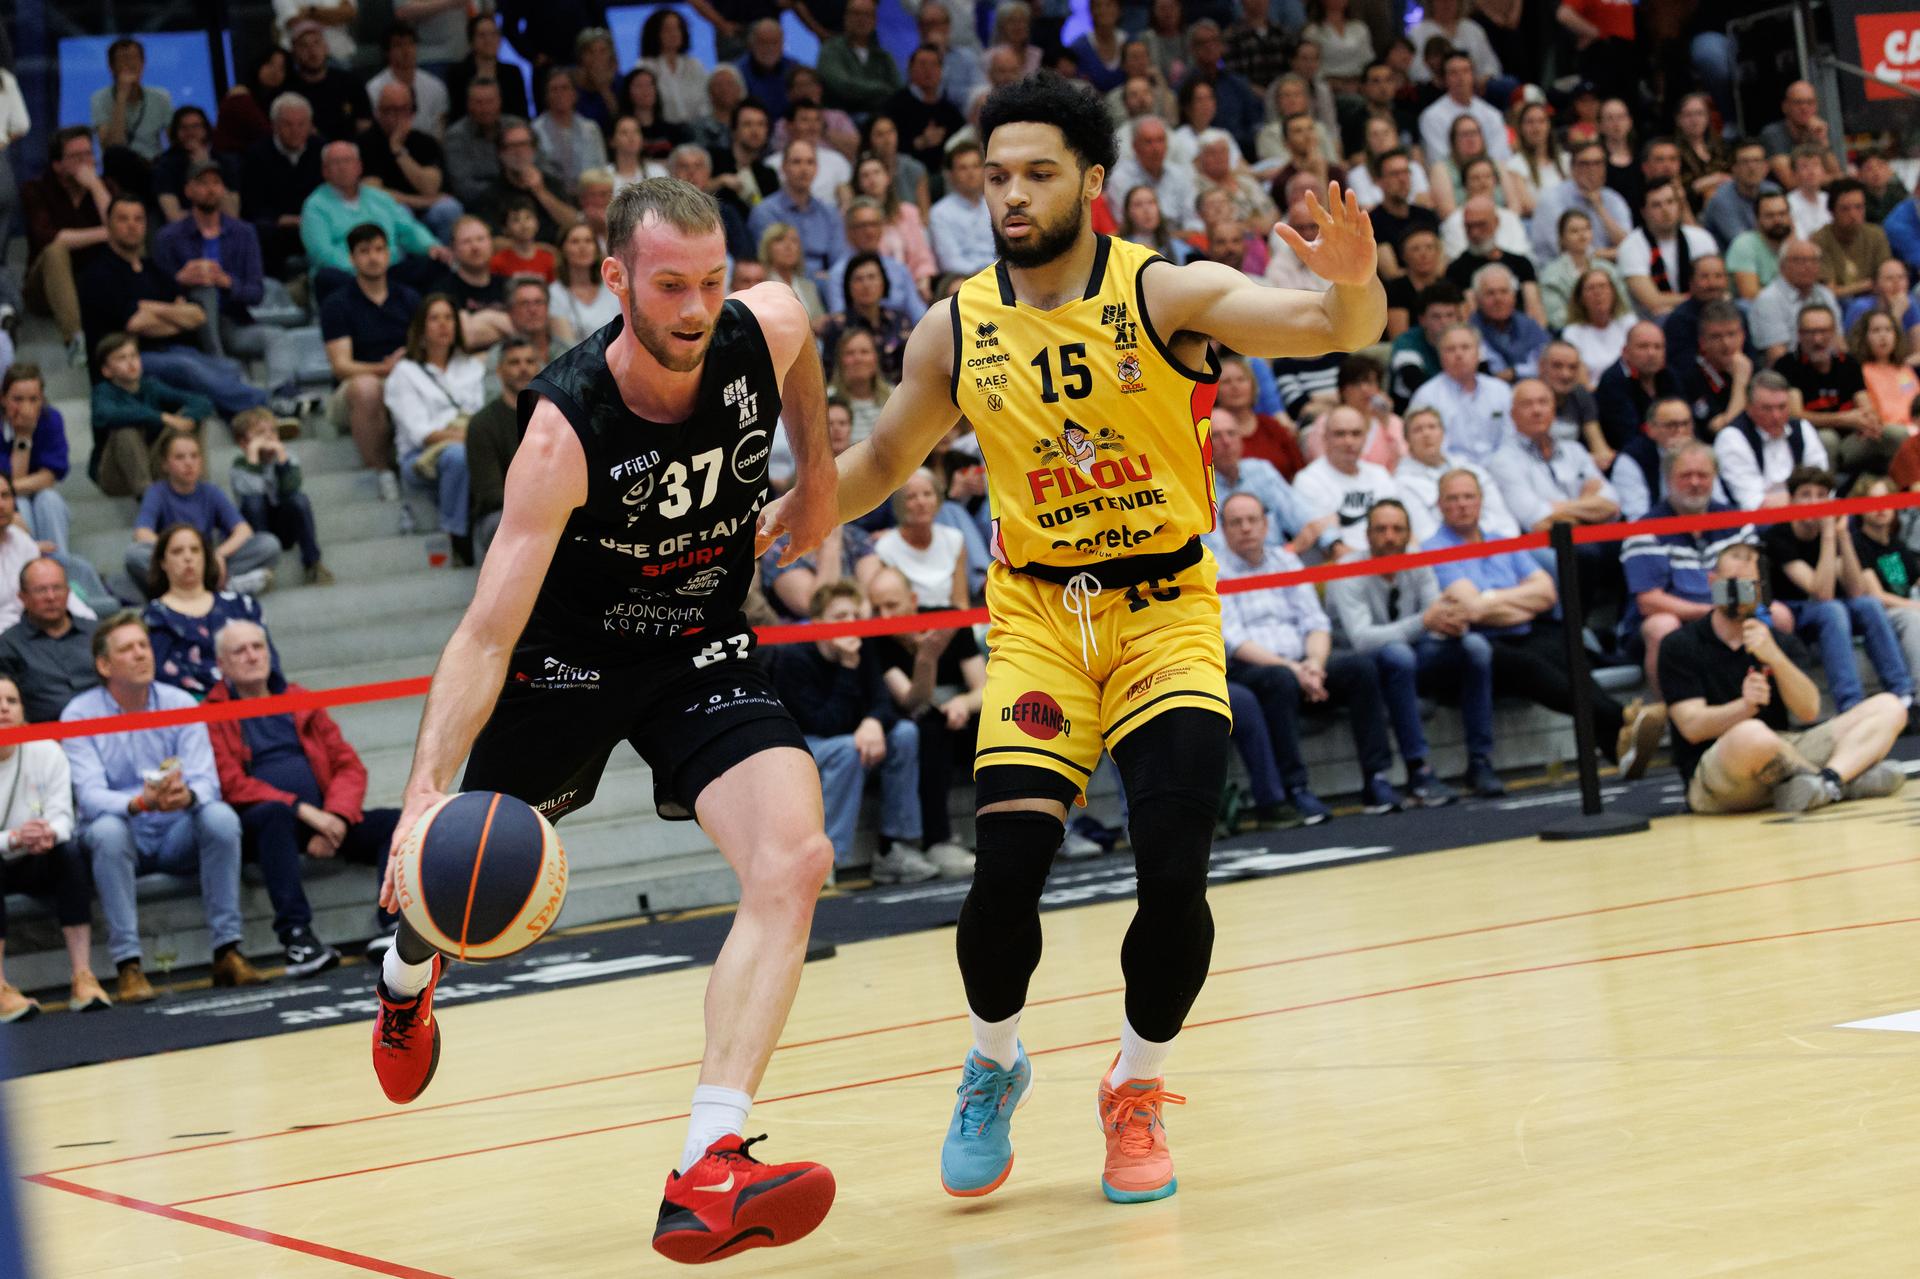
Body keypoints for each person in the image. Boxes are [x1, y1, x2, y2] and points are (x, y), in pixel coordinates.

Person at [764, 74, 1389, 1208]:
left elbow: (1324, 325)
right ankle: (994, 1061)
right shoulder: (956, 324)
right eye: (996, 174)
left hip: (1163, 617)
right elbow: (888, 459)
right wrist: (803, 506)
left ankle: (1136, 1089)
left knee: (1173, 878)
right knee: (1003, 882)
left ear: (1093, 183)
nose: (1012, 193)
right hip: (1042, 624)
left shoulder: (1161, 291)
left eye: (1038, 172)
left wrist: (1356, 283)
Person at [365, 178, 842, 1264]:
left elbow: (802, 340)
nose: (693, 308)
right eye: (669, 284)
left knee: (796, 856)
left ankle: (707, 1167)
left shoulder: (758, 328)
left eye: (711, 282)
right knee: (453, 883)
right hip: (566, 662)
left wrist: (814, 478)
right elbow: (485, 635)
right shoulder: (563, 429)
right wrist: (424, 796)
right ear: (615, 278)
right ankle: (404, 982)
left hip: (695, 645)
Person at [64, 611, 264, 1002]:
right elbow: (88, 795)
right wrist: (139, 802)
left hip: (175, 832)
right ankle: (129, 966)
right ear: (104, 665)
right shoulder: (79, 714)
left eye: (143, 645)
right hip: (123, 839)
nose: (141, 654)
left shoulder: (181, 702)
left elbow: (207, 780)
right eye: (127, 649)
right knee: (105, 828)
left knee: (219, 817)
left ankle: (228, 951)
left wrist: (187, 797)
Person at [1425, 469, 1667, 778]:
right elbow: (1470, 610)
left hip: (1523, 630)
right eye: (1453, 498)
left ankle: (1618, 748)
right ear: (1440, 504)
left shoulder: (1501, 540)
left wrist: (1492, 599)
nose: (1461, 504)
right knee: (1528, 665)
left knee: (1567, 649)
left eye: (1468, 496)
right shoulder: (1434, 548)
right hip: (1473, 646)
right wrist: (1517, 601)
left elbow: (1547, 594)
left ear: (1480, 501)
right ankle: (1619, 720)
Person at [207, 618, 401, 968]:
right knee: (274, 815)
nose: (252, 656)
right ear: (221, 664)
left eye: (258, 646)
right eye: (240, 650)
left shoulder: (299, 700)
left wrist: (337, 818)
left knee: (396, 823)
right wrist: (305, 812)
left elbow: (349, 766)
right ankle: (298, 938)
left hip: (324, 817)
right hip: (265, 826)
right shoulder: (213, 714)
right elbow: (231, 783)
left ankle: (393, 923)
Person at [1661, 542, 1905, 815]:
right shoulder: (1680, 644)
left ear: (1759, 588)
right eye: (1730, 583)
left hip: (1785, 753)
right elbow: (1692, 727)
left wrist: (1775, 658)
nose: (1737, 592)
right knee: (1751, 734)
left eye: (1746, 583)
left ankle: (1827, 782)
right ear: (1712, 581)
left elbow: (1809, 709)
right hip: (1721, 772)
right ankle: (1845, 782)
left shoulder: (1778, 642)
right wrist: (1744, 708)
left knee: (1890, 706)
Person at [1216, 490, 1404, 820]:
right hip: (1254, 668)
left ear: (1265, 524)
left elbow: (1314, 621)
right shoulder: (1215, 571)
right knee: (1279, 680)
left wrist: (1314, 664)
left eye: (1252, 520)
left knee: (1360, 669)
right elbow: (1234, 641)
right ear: (1223, 529)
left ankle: (1376, 778)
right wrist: (1293, 668)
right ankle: (1296, 787)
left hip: (1303, 662)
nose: (1246, 528)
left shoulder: (1286, 561)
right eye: (1236, 522)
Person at [765, 578, 927, 881]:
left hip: (853, 736)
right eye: (839, 617)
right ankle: (829, 862)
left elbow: (883, 701)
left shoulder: (862, 647)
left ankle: (895, 848)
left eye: (854, 616)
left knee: (905, 733)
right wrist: (848, 668)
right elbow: (824, 724)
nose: (850, 623)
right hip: (806, 745)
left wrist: (873, 722)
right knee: (846, 749)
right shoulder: (793, 658)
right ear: (817, 623)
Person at [1324, 498, 1482, 800]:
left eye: (1398, 530)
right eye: (1381, 529)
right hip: (1358, 663)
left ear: (1409, 535)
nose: (1390, 537)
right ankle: (1418, 769)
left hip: (1409, 653)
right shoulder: (1347, 571)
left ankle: (1481, 760)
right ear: (1367, 535)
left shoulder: (1417, 562)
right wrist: (1424, 621)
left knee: (1475, 648)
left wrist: (1452, 623)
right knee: (1399, 656)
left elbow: (1436, 613)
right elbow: (1362, 639)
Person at [78, 195, 270, 420]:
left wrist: (150, 308)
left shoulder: (153, 269)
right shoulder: (98, 274)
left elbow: (197, 316)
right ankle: (265, 404)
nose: (132, 225)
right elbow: (135, 323)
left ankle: (249, 424)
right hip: (128, 360)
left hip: (171, 350)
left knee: (228, 368)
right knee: (186, 368)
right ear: (109, 225)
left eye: (138, 219)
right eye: (123, 219)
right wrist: (173, 317)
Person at [1761, 465, 1914, 713]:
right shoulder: (1779, 536)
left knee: (1868, 604)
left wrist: (1843, 536)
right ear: (1792, 500)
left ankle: (1902, 692)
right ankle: (1851, 703)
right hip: (1792, 610)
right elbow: (1820, 592)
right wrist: (1830, 536)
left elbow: (1855, 590)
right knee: (1832, 609)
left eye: (1821, 495)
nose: (1815, 502)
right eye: (1806, 495)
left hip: (1830, 607)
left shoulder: (1841, 533)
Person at [0, 670, 107, 1020]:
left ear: (22, 710)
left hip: (37, 856)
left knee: (70, 853)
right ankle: (0, 987)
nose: (4, 709)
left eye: (11, 701)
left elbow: (64, 816)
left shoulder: (45, 749)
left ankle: (82, 975)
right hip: (5, 854)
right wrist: (15, 838)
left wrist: (49, 834)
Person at [866, 564, 983, 877]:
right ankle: (938, 840)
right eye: (877, 608)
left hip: (962, 716)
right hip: (917, 727)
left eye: (892, 605)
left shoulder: (947, 619)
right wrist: (926, 659)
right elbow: (911, 700)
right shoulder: (877, 639)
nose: (885, 616)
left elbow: (986, 688)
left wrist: (963, 703)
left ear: (913, 599)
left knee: (1003, 722)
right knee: (928, 728)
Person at [1616, 440, 1753, 694]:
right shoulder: (1643, 531)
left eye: (1703, 475)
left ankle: (1768, 711)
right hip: (1672, 620)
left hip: (1726, 611)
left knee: (1778, 614)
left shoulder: (1737, 522)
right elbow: (1650, 601)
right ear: (1668, 480)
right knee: (1662, 626)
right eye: (1686, 476)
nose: (1695, 483)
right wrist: (1710, 612)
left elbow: (1753, 581)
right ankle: (1672, 719)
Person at [386, 294, 484, 559]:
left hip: (469, 442)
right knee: (458, 456)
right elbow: (422, 434)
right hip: (421, 458)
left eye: (449, 318)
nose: (444, 325)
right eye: (434, 319)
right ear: (421, 328)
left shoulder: (471, 367)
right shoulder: (404, 373)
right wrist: (470, 438)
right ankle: (456, 535)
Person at [128, 428, 282, 594]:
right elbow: (142, 533)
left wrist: (217, 555)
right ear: (165, 464)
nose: (189, 463)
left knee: (269, 545)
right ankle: (223, 587)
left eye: (194, 456)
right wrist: (176, 552)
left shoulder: (210, 491)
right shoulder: (156, 492)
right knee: (134, 555)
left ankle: (207, 586)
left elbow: (243, 530)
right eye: (180, 457)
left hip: (207, 561)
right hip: (175, 565)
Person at [321, 224, 421, 479]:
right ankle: (380, 473)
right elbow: (341, 366)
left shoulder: (409, 298)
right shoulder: (337, 304)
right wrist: (384, 369)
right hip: (355, 387)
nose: (373, 257)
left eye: (379, 249)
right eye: (364, 251)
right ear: (351, 258)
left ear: (389, 254)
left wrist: (406, 359)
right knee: (367, 387)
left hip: (404, 375)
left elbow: (425, 345)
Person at [302, 141, 450, 302]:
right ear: (325, 171)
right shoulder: (315, 206)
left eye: (347, 161)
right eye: (336, 163)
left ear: (359, 166)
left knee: (436, 263)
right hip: (348, 275)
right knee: (327, 277)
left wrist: (430, 246)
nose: (342, 167)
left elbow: (409, 229)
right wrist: (367, 268)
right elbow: (322, 252)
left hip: (389, 270)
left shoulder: (380, 198)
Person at [21, 126, 114, 366]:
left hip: (90, 284)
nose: (86, 162)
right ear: (57, 165)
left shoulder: (104, 188)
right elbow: (50, 237)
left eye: (89, 154)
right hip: (42, 289)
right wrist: (106, 233)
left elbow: (122, 226)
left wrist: (95, 186)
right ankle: (75, 339)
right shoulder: (36, 189)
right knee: (55, 251)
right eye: (76, 157)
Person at [1775, 304, 1902, 476]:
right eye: (1810, 332)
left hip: (1851, 441)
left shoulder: (1848, 364)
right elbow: (1795, 415)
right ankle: (1827, 496)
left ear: (1834, 332)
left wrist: (1870, 422)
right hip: (1806, 441)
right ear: (1799, 334)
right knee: (1828, 438)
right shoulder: (1788, 365)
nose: (1817, 339)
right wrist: (1844, 419)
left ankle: (1900, 494)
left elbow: (1865, 405)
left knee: (1895, 434)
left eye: (1824, 331)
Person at [88, 332, 211, 499]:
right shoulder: (103, 392)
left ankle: (199, 487)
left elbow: (200, 401)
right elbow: (106, 415)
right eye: (121, 358)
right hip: (116, 474)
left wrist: (188, 418)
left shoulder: (150, 386)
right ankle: (149, 498)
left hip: (152, 463)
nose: (131, 362)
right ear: (107, 371)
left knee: (191, 420)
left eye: (134, 355)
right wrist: (161, 417)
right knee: (125, 430)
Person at [230, 408, 330, 586]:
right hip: (258, 529)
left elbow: (291, 487)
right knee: (253, 502)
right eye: (260, 433)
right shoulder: (240, 466)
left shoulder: (287, 456)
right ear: (243, 443)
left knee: (299, 499)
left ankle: (313, 563)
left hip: (284, 527)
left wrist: (282, 460)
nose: (269, 437)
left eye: (273, 431)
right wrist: (253, 458)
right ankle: (262, 565)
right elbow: (254, 490)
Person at [465, 336, 538, 563]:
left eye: (529, 361)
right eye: (514, 363)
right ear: (499, 370)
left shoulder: (556, 416)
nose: (523, 368)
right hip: (501, 515)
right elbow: (490, 495)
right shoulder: (482, 423)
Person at [0, 559, 100, 723]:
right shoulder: (7, 645)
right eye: (41, 590)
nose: (51, 597)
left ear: (68, 592)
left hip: (108, 727)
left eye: (57, 588)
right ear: (22, 597)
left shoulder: (97, 632)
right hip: (45, 738)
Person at [361, 81, 462, 242]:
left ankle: (446, 262)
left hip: (428, 212)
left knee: (449, 208)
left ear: (412, 112)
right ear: (378, 112)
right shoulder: (364, 143)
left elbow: (430, 188)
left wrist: (399, 151)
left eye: (402, 109)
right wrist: (420, 202)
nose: (396, 116)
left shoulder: (426, 142)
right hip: (392, 212)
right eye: (389, 110)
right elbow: (373, 193)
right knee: (401, 211)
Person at [1715, 370, 1831, 509]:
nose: (1776, 416)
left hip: (1804, 516)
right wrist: (1805, 499)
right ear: (1749, 407)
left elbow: (1822, 485)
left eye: (1782, 407)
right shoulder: (1732, 438)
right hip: (1754, 524)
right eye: (1767, 408)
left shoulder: (1802, 428)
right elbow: (1753, 504)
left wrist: (1808, 499)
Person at [1405, 324, 1513, 461]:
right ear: (1440, 356)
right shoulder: (1426, 396)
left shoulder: (1500, 390)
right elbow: (1428, 448)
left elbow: (1512, 437)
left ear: (1478, 353)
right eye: (1450, 349)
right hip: (1450, 472)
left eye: (1465, 347)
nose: (1459, 354)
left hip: (1501, 467)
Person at [0, 365, 76, 557]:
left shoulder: (51, 419)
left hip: (36, 495)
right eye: (18, 399)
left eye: (33, 399)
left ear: (42, 399)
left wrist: (12, 488)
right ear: (3, 399)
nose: (26, 408)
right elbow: (7, 486)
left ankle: (58, 566)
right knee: (19, 505)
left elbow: (48, 478)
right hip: (6, 501)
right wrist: (23, 436)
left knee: (50, 500)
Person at [1617, 182, 1720, 319]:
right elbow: (1652, 301)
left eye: (1670, 202)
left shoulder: (1701, 238)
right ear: (1644, 212)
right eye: (1656, 205)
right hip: (1654, 322)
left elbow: (1717, 285)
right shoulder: (1631, 246)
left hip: (1704, 315)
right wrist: (1700, 297)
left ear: (1679, 205)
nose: (1665, 210)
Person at [872, 469, 968, 608]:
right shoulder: (885, 548)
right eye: (911, 497)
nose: (921, 502)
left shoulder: (954, 540)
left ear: (938, 500)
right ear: (900, 504)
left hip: (950, 624)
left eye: (927, 494)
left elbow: (961, 602)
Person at [1595, 321, 1683, 454]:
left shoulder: (1668, 375)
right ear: (1625, 351)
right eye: (1643, 347)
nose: (1651, 353)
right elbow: (1627, 436)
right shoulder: (1613, 381)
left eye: (1658, 347)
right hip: (1628, 456)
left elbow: (1685, 418)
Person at [1748, 238, 1841, 363]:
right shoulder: (1768, 300)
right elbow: (1777, 357)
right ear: (1782, 266)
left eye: (1813, 260)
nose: (1808, 266)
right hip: (1789, 373)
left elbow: (1839, 342)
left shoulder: (1825, 295)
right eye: (1799, 261)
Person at [1813, 179, 1889, 302]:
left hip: (1873, 301)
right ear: (1832, 212)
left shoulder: (1876, 235)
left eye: (1859, 207)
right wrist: (1867, 285)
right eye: (1845, 209)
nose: (1853, 214)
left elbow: (1886, 280)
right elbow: (1829, 292)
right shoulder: (1819, 240)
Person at [1852, 309, 1920, 430]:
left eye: (1888, 330)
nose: (1883, 336)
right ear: (1864, 337)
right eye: (1876, 331)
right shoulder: (1859, 371)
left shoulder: (1904, 369)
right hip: (1885, 431)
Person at [1726, 190, 1792, 301]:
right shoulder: (1744, 244)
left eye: (1782, 214)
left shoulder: (1793, 247)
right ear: (1757, 219)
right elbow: (1750, 295)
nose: (1777, 220)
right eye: (1770, 216)